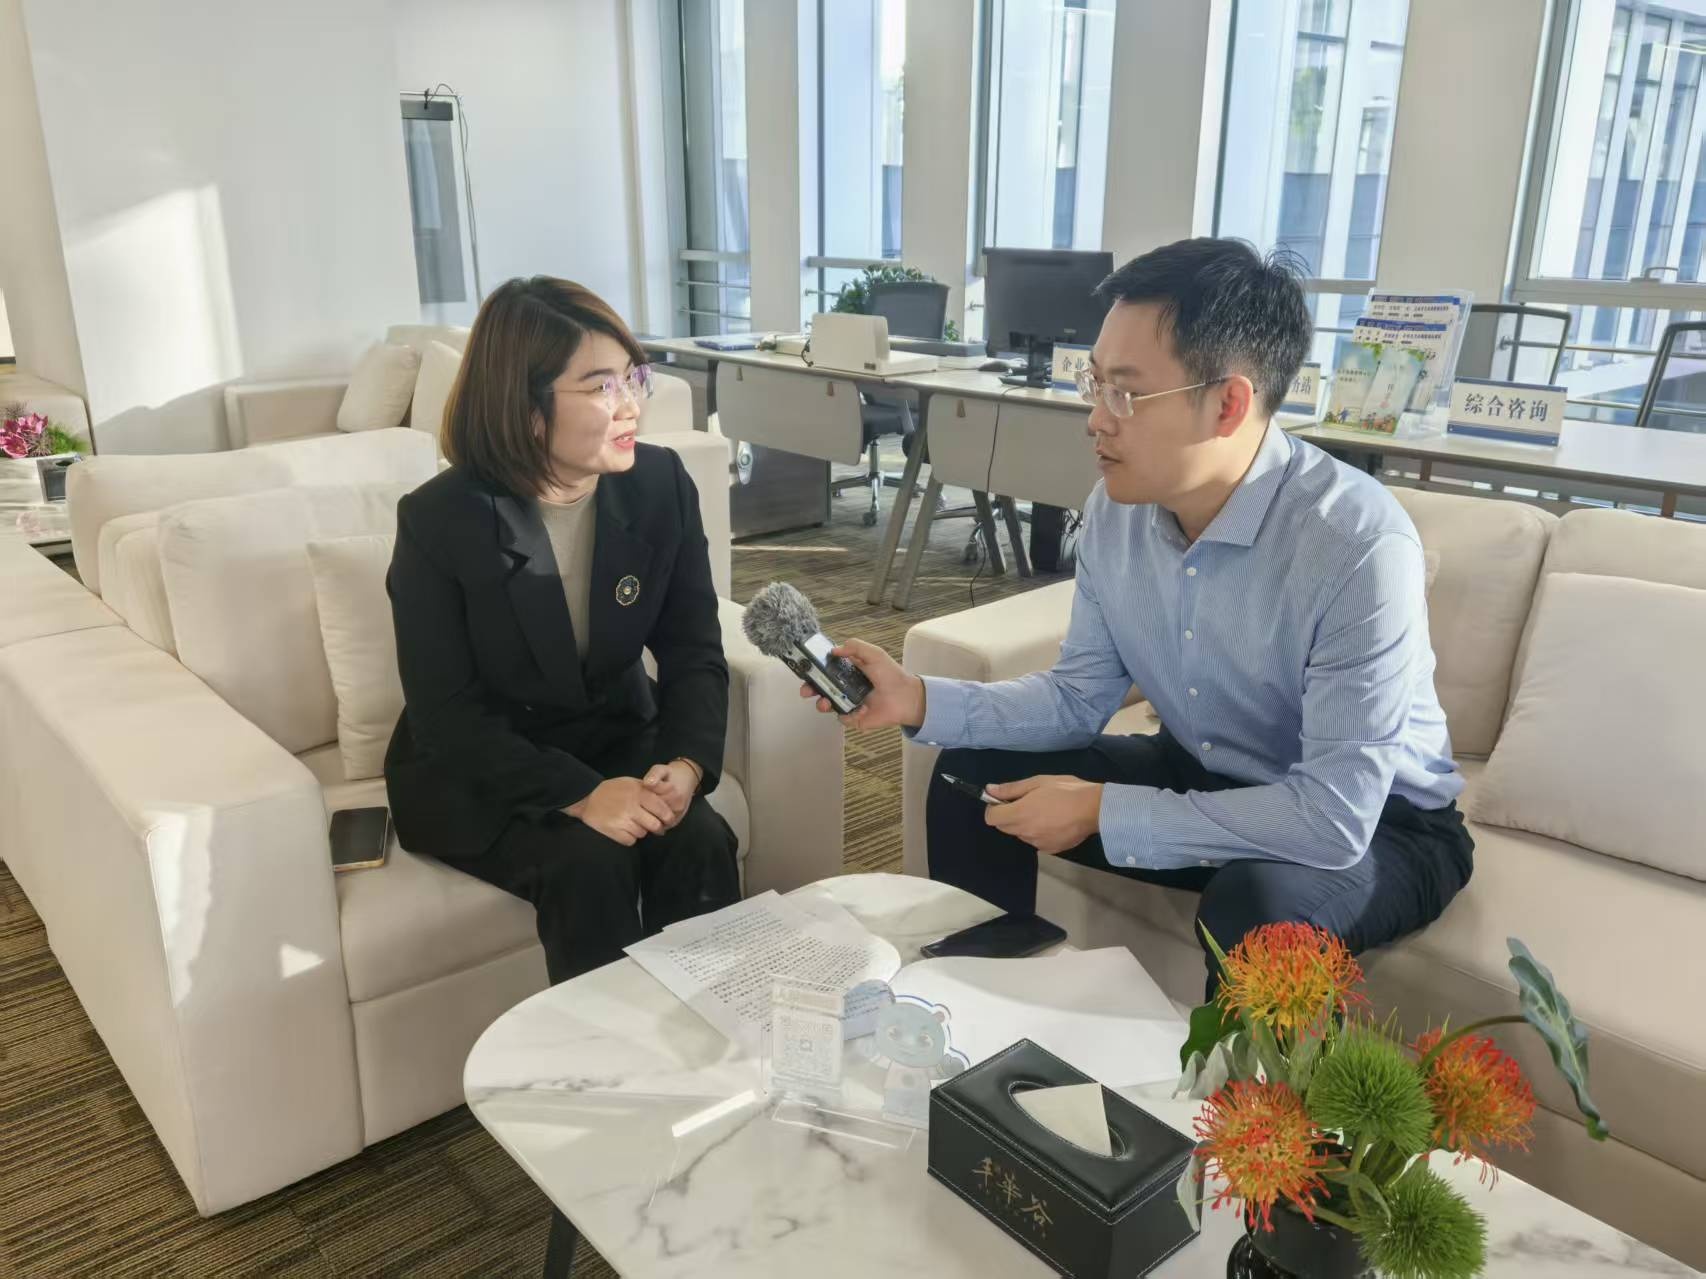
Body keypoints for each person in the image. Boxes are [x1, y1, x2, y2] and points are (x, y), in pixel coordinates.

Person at [805, 237, 1472, 994]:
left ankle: (1216, 1081)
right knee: (970, 771)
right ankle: (976, 1008)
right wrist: (919, 699)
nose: (1095, 418)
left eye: (1124, 393)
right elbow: (1078, 697)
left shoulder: (1356, 545)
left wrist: (1106, 810)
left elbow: (1331, 816)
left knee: (1257, 909)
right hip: (1206, 771)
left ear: (1228, 404)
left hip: (1383, 824)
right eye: (1095, 383)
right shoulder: (1117, 511)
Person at [385, 276, 739, 987]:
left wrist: (686, 762)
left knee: (700, 837)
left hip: (613, 735)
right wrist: (581, 796)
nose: (631, 404)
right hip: (487, 765)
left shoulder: (660, 483)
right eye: (602, 386)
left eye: (633, 377)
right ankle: (607, 1054)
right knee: (589, 862)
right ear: (526, 408)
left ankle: (720, 1032)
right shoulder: (441, 520)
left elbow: (693, 648)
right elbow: (447, 717)